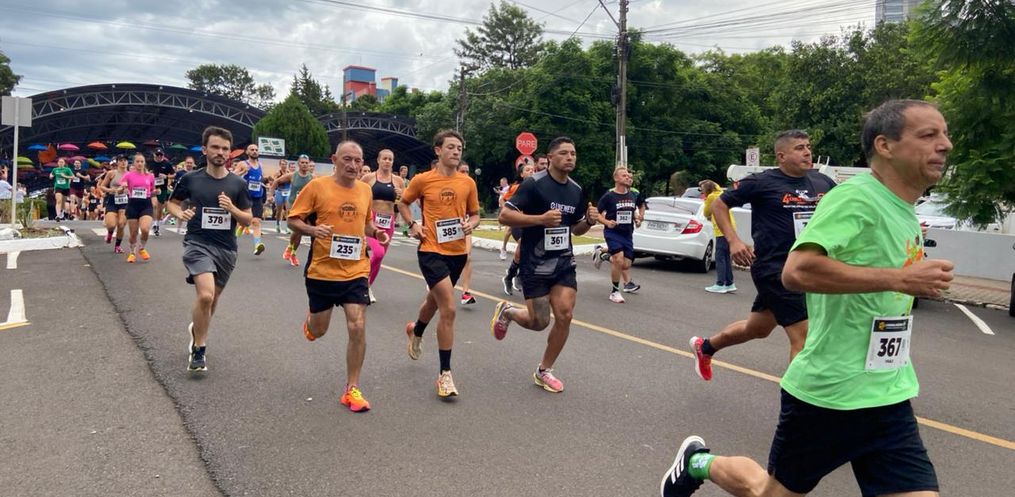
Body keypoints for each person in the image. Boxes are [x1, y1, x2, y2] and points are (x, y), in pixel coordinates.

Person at [662, 100, 953, 497]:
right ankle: (699, 462)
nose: (945, 144)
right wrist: (900, 278)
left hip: (888, 391)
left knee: (757, 327)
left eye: (945, 134)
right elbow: (797, 271)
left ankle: (707, 347)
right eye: (929, 135)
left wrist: (908, 279)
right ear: (885, 145)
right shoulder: (855, 197)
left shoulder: (890, 204)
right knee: (771, 493)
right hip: (829, 393)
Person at [688, 130, 836, 381]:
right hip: (776, 269)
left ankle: (706, 347)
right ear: (781, 156)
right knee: (804, 336)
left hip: (810, 267)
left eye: (808, 147)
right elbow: (720, 204)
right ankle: (800, 400)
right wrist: (734, 241)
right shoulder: (762, 182)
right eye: (799, 148)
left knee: (757, 328)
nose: (807, 152)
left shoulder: (823, 182)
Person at [490, 136, 600, 393]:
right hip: (535, 263)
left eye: (573, 153)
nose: (570, 157)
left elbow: (576, 230)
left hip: (563, 262)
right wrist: (541, 219)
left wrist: (588, 221)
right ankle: (508, 311)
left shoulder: (576, 190)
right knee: (539, 322)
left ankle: (544, 370)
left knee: (565, 315)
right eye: (564, 153)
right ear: (550, 158)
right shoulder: (534, 184)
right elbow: (504, 216)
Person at [287, 140, 389, 412]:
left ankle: (352, 388)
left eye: (358, 160)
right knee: (319, 331)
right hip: (322, 270)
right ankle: (311, 324)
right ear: (334, 160)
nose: (353, 165)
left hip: (356, 270)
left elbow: (365, 223)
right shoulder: (317, 187)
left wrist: (375, 232)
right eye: (347, 159)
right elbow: (293, 219)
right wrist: (313, 231)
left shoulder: (365, 190)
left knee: (357, 325)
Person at [396, 130, 480, 398]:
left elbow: (475, 214)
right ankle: (445, 374)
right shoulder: (423, 180)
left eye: (459, 148)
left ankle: (416, 330)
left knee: (433, 301)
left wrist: (470, 225)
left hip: (457, 252)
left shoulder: (467, 183)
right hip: (431, 250)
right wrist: (413, 224)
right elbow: (403, 203)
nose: (456, 152)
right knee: (449, 308)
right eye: (451, 147)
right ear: (438, 150)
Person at [166, 126, 253, 373]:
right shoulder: (190, 179)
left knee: (212, 300)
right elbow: (171, 204)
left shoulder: (237, 183)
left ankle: (197, 329)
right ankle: (199, 349)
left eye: (225, 148)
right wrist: (180, 214)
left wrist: (232, 209)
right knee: (205, 295)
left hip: (226, 248)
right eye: (215, 147)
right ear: (204, 150)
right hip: (197, 243)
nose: (220, 152)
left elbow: (248, 219)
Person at [591, 167, 643, 303]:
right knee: (618, 258)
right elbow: (597, 213)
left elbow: (634, 211)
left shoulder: (632, 195)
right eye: (624, 175)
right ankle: (615, 291)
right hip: (612, 232)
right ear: (616, 178)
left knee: (625, 265)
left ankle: (602, 254)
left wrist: (638, 219)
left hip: (627, 233)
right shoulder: (609, 196)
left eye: (628, 176)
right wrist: (607, 222)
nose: (628, 177)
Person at [360, 149, 405, 303]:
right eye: (384, 158)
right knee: (378, 254)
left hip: (388, 221)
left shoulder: (398, 181)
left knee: (379, 258)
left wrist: (401, 194)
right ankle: (362, 282)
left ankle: (367, 287)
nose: (387, 161)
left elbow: (403, 203)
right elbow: (356, 193)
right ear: (378, 160)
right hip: (371, 220)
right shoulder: (369, 178)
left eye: (390, 159)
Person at [275, 154, 317, 266]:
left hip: (307, 208)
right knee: (298, 230)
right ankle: (292, 253)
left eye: (306, 163)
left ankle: (291, 250)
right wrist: (271, 194)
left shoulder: (313, 178)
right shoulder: (292, 175)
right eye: (302, 162)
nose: (304, 165)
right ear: (298, 163)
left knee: (300, 231)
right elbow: (276, 182)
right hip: (294, 205)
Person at [500, 161, 535, 293]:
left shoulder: (538, 187)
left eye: (532, 170)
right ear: (521, 174)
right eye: (527, 170)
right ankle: (513, 276)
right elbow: (502, 199)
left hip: (531, 223)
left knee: (528, 251)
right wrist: (508, 211)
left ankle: (513, 275)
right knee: (522, 244)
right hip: (518, 223)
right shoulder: (516, 188)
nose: (531, 172)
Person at [231, 143, 267, 255]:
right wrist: (243, 172)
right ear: (247, 152)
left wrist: (265, 188)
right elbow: (232, 177)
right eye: (252, 150)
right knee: (243, 221)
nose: (254, 151)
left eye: (256, 150)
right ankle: (233, 239)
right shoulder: (243, 164)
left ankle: (257, 245)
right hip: (245, 196)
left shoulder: (260, 165)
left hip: (257, 197)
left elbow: (259, 180)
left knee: (256, 221)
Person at [701, 179, 736, 293]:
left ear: (707, 190)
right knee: (726, 256)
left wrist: (706, 200)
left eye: (702, 189)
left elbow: (706, 212)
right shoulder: (721, 193)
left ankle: (720, 283)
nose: (701, 192)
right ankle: (729, 283)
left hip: (721, 229)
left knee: (720, 256)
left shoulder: (711, 197)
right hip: (730, 227)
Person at [121, 152, 156, 263]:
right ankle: (132, 252)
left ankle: (141, 248)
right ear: (134, 163)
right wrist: (124, 186)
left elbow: (152, 190)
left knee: (145, 229)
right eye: (137, 161)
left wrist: (156, 192)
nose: (140, 163)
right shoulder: (129, 175)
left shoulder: (150, 176)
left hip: (146, 204)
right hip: (133, 204)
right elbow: (122, 184)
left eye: (142, 161)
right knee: (133, 233)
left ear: (144, 163)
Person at [99, 155, 130, 253]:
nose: (123, 162)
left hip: (125, 201)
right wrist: (111, 190)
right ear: (117, 162)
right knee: (111, 224)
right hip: (112, 200)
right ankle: (110, 233)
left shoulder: (131, 174)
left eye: (125, 160)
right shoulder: (111, 173)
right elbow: (102, 186)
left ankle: (117, 246)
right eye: (121, 160)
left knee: (121, 224)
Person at [456, 161, 477, 305]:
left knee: (467, 257)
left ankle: (465, 292)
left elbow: (475, 212)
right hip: (445, 228)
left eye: (467, 171)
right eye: (462, 171)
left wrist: (471, 223)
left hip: (464, 225)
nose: (465, 174)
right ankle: (435, 282)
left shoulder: (470, 186)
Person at [149, 149, 175, 237]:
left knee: (159, 207)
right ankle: (154, 223)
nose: (159, 156)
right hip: (151, 187)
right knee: (154, 205)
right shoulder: (149, 163)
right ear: (154, 155)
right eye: (157, 155)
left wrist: (166, 176)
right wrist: (149, 175)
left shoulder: (167, 164)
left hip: (162, 188)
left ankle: (156, 224)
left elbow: (174, 175)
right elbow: (143, 172)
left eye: (161, 155)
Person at [267, 159, 291, 234]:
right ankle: (278, 224)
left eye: (285, 164)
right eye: (282, 164)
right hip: (279, 192)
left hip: (288, 192)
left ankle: (288, 227)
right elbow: (273, 183)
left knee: (288, 210)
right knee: (279, 211)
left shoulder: (289, 173)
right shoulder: (277, 173)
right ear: (280, 165)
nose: (284, 166)